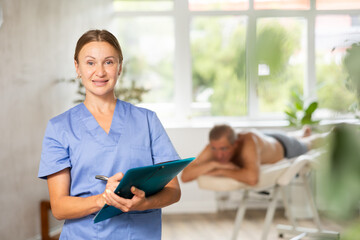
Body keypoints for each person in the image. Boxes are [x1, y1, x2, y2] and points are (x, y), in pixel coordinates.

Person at [38, 29, 181, 239]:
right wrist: (104, 199)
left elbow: (174, 191)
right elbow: (59, 207)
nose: (100, 72)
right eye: (90, 63)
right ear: (77, 68)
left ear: (120, 67)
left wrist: (144, 202)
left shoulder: (147, 121)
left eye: (109, 62)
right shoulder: (59, 128)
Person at [181, 124, 328, 185]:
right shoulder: (215, 146)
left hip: (284, 146)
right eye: (214, 149)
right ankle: (302, 132)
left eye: (224, 149)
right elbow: (185, 176)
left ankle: (326, 135)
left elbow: (252, 179)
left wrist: (220, 170)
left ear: (235, 144)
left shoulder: (247, 144)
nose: (219, 154)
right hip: (264, 140)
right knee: (298, 136)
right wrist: (213, 164)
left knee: (309, 143)